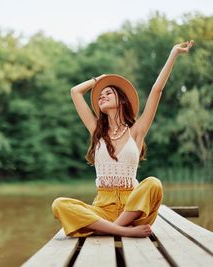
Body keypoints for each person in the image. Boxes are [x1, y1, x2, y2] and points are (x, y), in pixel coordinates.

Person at [52, 40, 195, 237]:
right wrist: (99, 80)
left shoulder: (136, 130)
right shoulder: (97, 131)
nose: (101, 96)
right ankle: (121, 231)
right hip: (102, 209)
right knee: (59, 204)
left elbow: (156, 90)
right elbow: (75, 92)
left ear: (122, 100)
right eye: (100, 95)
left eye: (108, 93)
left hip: (133, 209)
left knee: (153, 183)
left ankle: (109, 229)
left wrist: (173, 53)